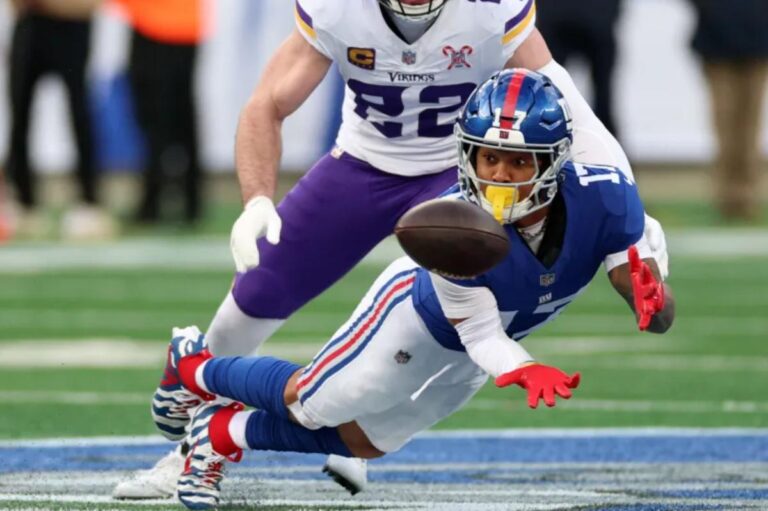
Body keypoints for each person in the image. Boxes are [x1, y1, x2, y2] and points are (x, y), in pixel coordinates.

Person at [114, 0, 669, 499]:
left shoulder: (489, 9)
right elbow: (266, 106)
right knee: (257, 290)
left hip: (463, 182)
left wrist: (622, 199)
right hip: (364, 164)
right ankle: (187, 432)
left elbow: (571, 111)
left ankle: (340, 420)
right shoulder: (338, 9)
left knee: (453, 327)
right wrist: (257, 198)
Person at [5, 0, 116, 240]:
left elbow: (89, 5)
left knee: (80, 115)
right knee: (20, 115)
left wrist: (50, 4)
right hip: (32, 28)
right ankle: (23, 201)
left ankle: (89, 200)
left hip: (72, 31)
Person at [116, 0, 208, 225]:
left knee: (156, 118)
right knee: (182, 115)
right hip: (183, 24)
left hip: (155, 24)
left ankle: (153, 201)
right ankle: (191, 200)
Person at [689, 0, 768, 221]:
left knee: (749, 125)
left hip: (757, 39)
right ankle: (726, 194)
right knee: (724, 122)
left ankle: (747, 194)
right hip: (717, 40)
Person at [536, 0, 623, 138]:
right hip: (597, 17)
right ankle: (608, 146)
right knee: (602, 97)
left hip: (556, 15)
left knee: (543, 93)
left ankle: (537, 139)